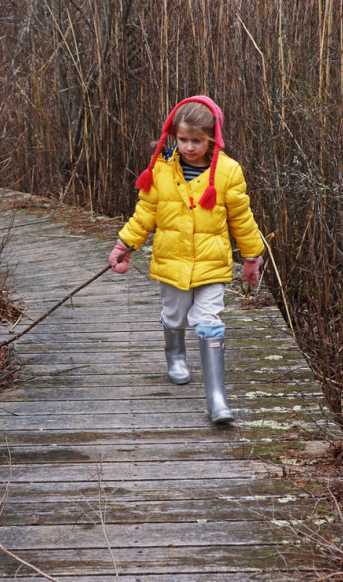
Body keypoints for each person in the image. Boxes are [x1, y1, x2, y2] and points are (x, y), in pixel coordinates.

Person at [108, 95, 264, 424]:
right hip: (171, 262)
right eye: (183, 139)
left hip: (211, 265)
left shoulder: (228, 172)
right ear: (173, 136)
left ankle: (217, 400)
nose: (190, 147)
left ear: (213, 138)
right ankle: (175, 355)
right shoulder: (161, 169)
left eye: (197, 140)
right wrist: (125, 244)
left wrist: (252, 258)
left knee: (209, 323)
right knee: (175, 316)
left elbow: (242, 219)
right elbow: (146, 213)